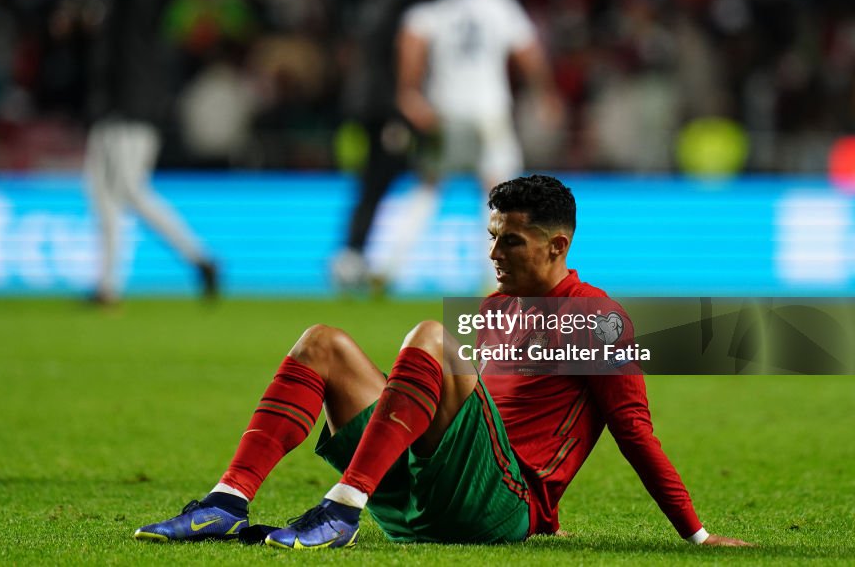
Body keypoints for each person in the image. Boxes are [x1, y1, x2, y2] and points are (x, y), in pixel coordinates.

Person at [133, 175, 751, 548]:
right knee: (322, 341)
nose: (496, 253)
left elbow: (634, 432)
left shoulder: (598, 319)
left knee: (430, 335)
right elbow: (462, 409)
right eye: (491, 238)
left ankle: (341, 511)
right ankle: (226, 502)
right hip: (432, 495)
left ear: (557, 245)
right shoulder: (493, 307)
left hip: (503, 506)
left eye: (511, 240)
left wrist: (694, 533)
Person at [373, 0, 565, 289]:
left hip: (445, 111)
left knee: (428, 185)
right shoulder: (495, 0)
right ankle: (498, 276)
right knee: (501, 193)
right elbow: (528, 50)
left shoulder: (431, 3)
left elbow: (411, 44)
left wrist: (409, 93)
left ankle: (386, 265)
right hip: (488, 112)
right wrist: (546, 93)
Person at [70, 0, 219, 304]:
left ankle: (199, 259)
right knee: (100, 191)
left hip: (133, 107)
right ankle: (107, 285)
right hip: (116, 105)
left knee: (129, 190)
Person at [331, 0, 454, 290]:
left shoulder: (374, 0)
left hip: (365, 105)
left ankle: (352, 255)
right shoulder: (396, 0)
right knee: (379, 180)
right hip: (383, 108)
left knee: (375, 181)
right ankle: (353, 256)